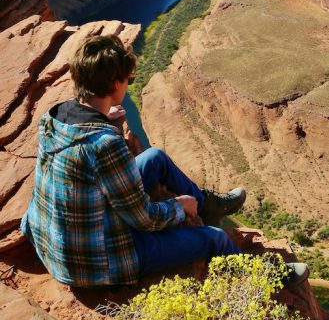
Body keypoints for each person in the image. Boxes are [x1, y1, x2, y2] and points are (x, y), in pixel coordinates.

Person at [21, 34, 308, 289]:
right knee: (214, 239)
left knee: (155, 157)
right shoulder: (104, 145)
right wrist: (179, 207)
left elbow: (88, 162)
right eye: (129, 80)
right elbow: (144, 218)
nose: (130, 85)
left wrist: (105, 121)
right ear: (116, 83)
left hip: (57, 241)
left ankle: (208, 205)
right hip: (97, 261)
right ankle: (264, 279)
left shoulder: (56, 116)